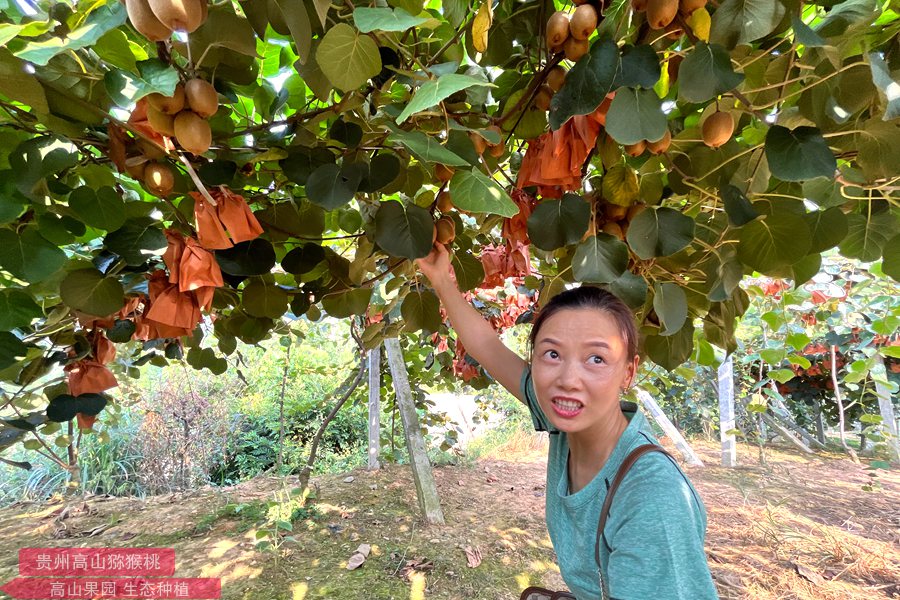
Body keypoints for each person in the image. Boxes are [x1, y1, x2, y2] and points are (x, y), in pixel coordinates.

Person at [416, 243, 718, 600]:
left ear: (629, 372)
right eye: (553, 354)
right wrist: (441, 280)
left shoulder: (652, 498)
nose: (568, 379)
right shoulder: (564, 419)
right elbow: (487, 346)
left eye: (596, 358)